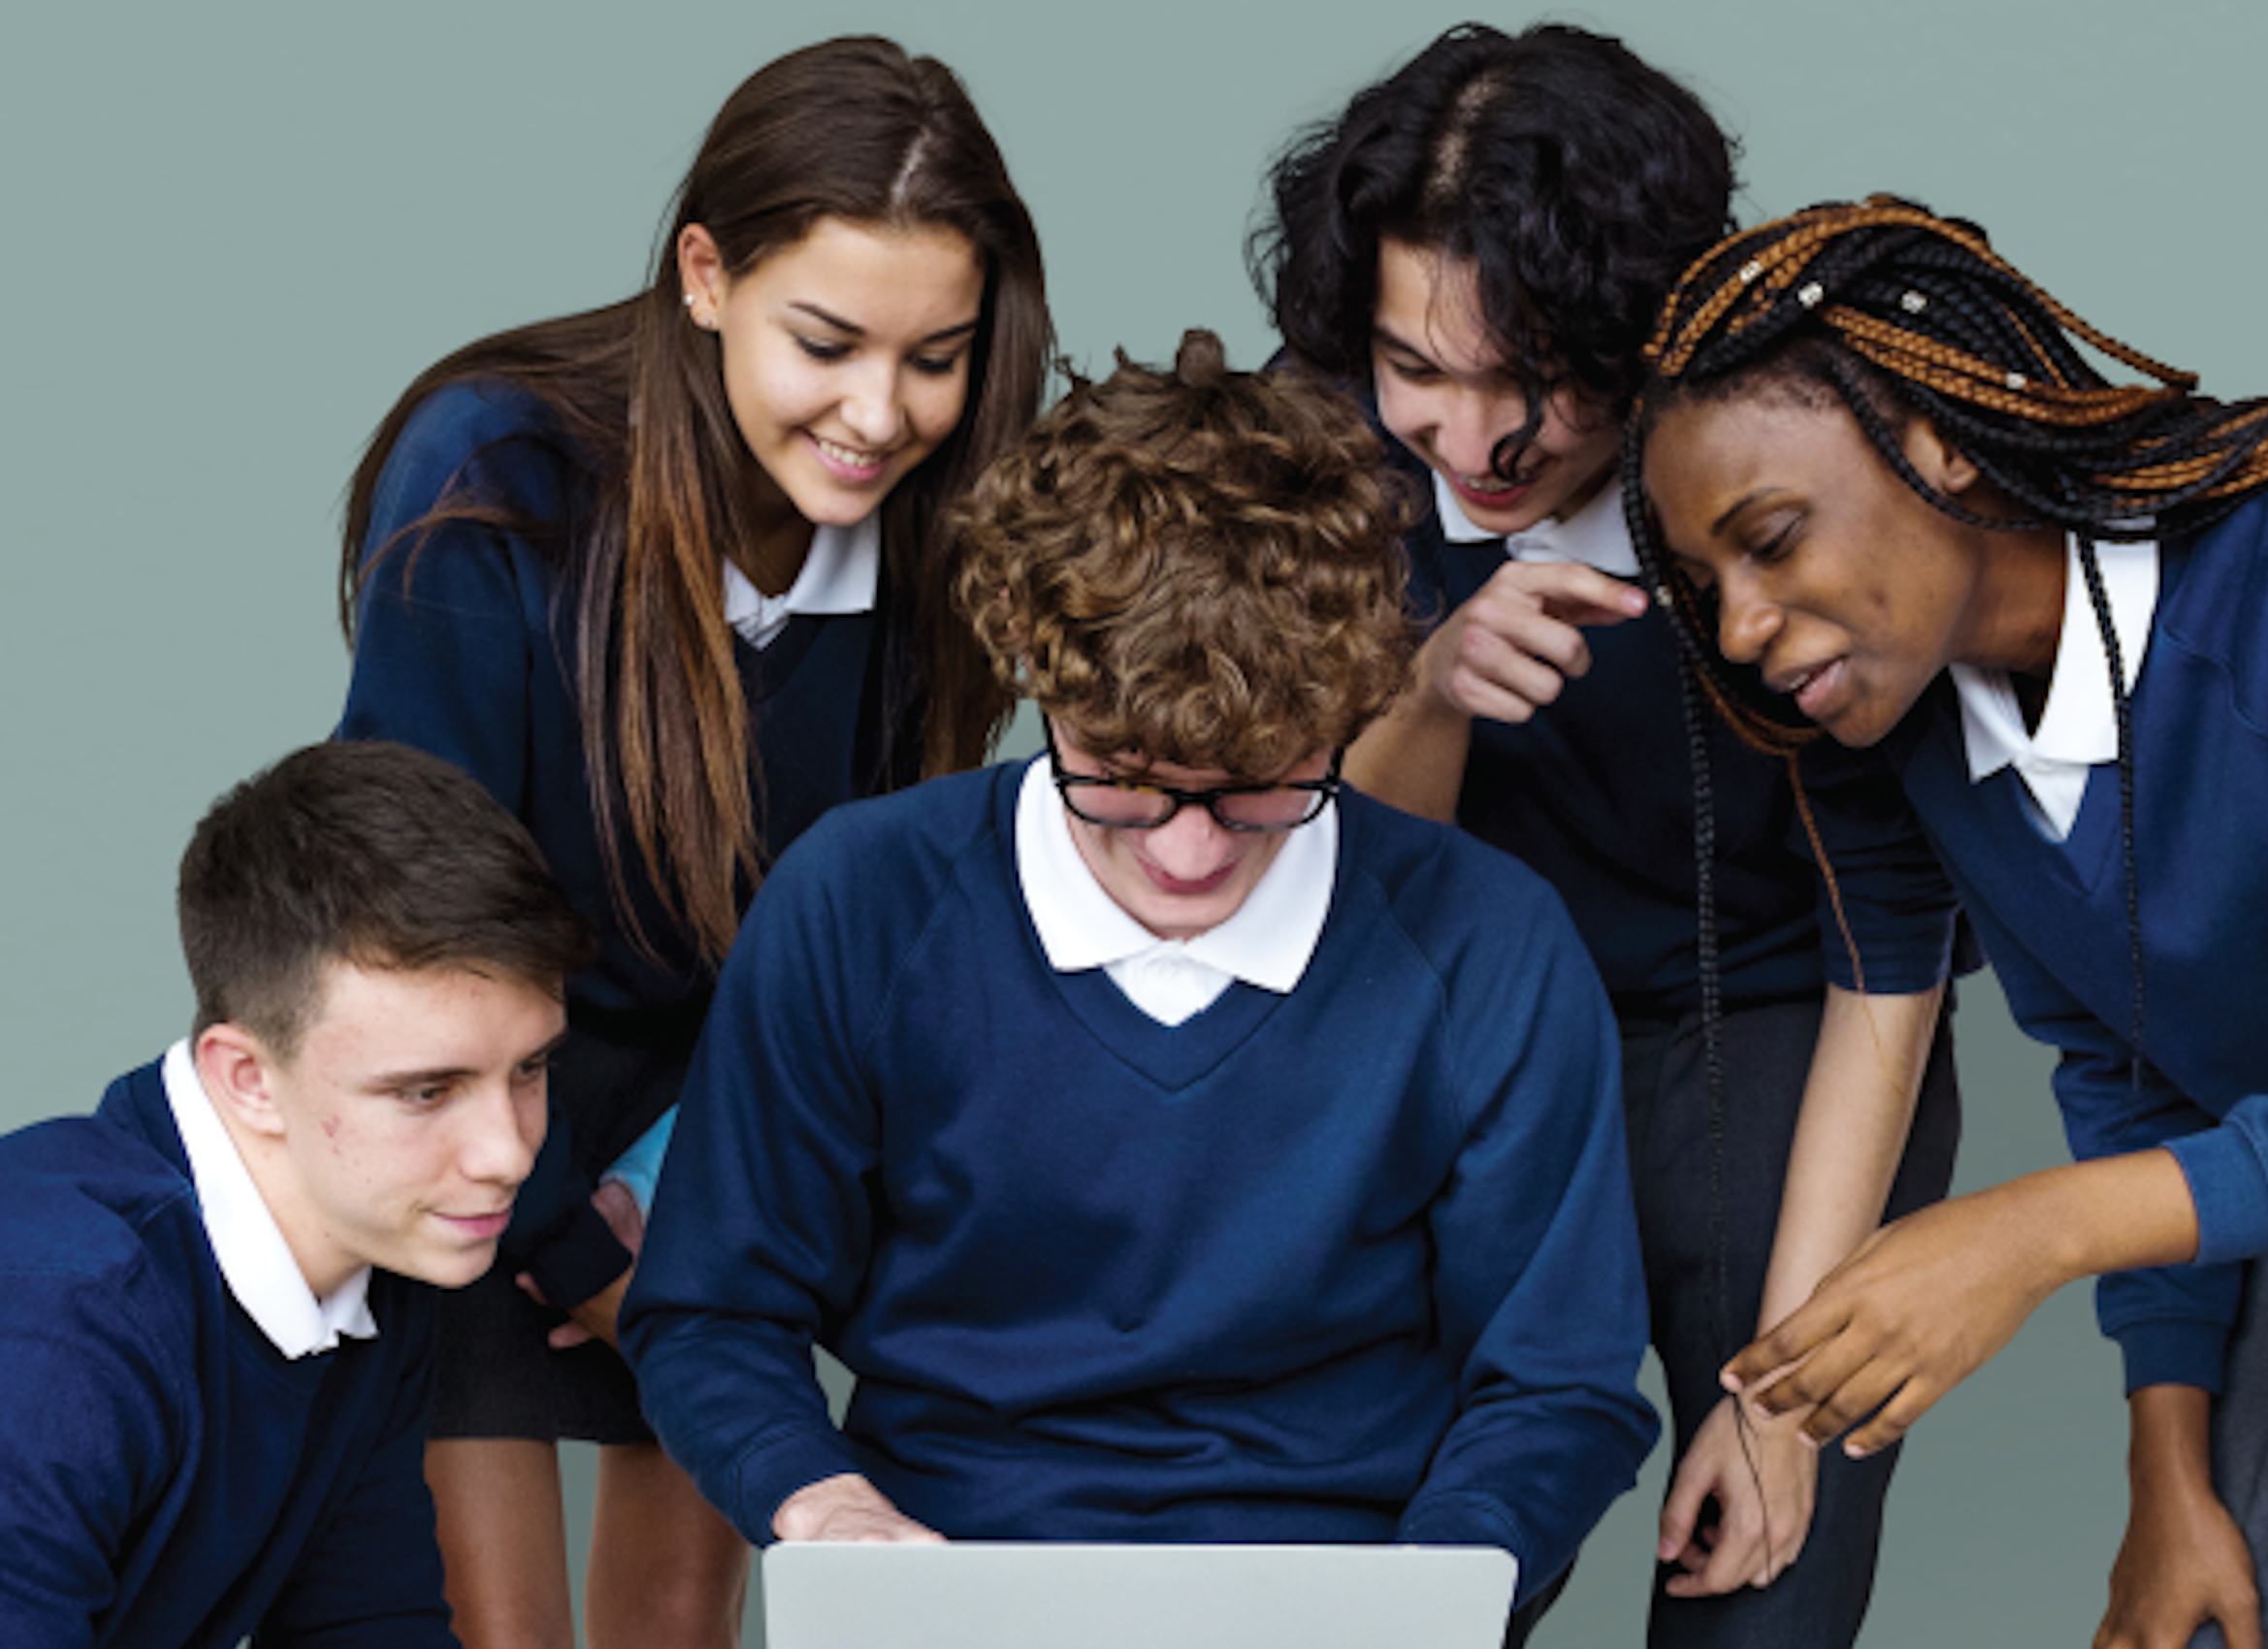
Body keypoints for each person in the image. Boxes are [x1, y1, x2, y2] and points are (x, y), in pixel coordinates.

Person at [622, 333, 1659, 1623]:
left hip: (1354, 1585)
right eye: (1120, 777)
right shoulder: (861, 902)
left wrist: (1437, 1589)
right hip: (943, 1577)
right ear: (1029, 664)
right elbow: (715, 1309)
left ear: (1353, 703)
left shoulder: (1489, 945)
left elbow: (1557, 1382)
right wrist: (818, 1502)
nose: (1186, 851)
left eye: (1260, 786)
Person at [1634, 195, 2268, 1649]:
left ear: (1938, 437)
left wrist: (2017, 1238)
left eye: (1772, 541)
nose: (1742, 628)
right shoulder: (1915, 745)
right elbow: (2137, 1073)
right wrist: (2169, 1472)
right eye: (1707, 586)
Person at [334, 36, 1051, 1649]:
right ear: (707, 275)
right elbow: (408, 914)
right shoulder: (498, 472)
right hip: (461, 1079)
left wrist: (687, 1217)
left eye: (936, 355)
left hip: (715, 1119)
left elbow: (850, 947)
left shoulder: (943, 532)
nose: (882, 414)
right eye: (829, 342)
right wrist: (545, 1224)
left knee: (683, 1623)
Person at [1250, 25, 1960, 1645]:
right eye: (1419, 371)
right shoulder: (1331, 463)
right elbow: (1331, 899)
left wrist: (1785, 1398)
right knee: (1407, 1575)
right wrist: (1429, 692)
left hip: (1788, 1029)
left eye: (1539, 380)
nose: (1480, 443)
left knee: (1763, 1568)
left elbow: (1893, 952)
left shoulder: (1784, 463)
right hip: (1462, 1040)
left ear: (1650, 335)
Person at [0, 740, 595, 1648]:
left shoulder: (370, 1260)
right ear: (246, 1078)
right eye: (427, 1091)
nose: (507, 1154)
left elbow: (364, 1627)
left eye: (530, 1069)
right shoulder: (59, 1319)